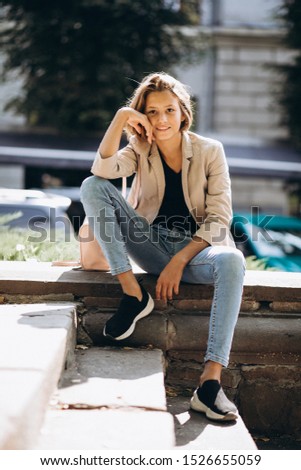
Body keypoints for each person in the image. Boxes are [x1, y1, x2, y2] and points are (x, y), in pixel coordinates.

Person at [80, 72, 245, 422]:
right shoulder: (141, 148)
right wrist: (123, 117)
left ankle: (210, 384)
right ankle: (134, 294)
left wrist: (180, 261)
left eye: (169, 110)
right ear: (144, 118)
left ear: (183, 113)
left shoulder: (210, 151)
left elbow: (219, 219)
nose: (162, 119)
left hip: (198, 252)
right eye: (152, 112)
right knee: (92, 186)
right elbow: (102, 168)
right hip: (150, 244)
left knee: (232, 260)